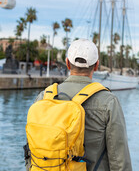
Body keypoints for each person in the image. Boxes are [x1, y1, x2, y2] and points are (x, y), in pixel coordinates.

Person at [26, 39, 132, 171]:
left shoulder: (43, 97)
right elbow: (119, 160)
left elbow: (31, 151)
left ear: (67, 63)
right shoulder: (108, 101)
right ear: (96, 65)